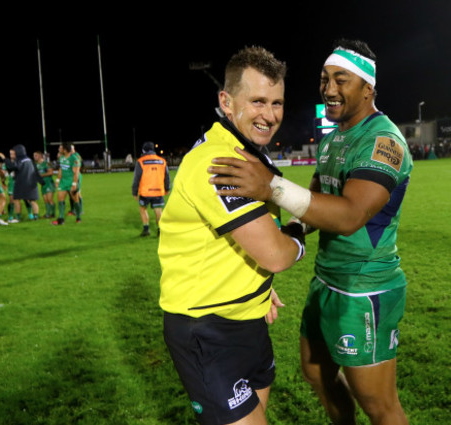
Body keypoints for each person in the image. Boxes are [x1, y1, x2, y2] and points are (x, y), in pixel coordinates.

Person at [208, 39, 412, 425]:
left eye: (341, 80)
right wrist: (292, 232)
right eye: (324, 79)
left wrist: (271, 187)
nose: (329, 89)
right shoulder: (334, 137)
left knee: (379, 404)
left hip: (365, 287)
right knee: (315, 373)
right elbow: (318, 194)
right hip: (327, 279)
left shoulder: (383, 140)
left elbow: (351, 213)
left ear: (367, 88)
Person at [158, 46, 306, 425]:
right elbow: (274, 254)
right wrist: (300, 236)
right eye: (257, 101)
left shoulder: (246, 152)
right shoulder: (219, 163)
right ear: (226, 101)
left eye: (277, 103)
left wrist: (256, 283)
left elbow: (241, 239)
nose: (270, 115)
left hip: (250, 320)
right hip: (208, 331)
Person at [131, 141, 170, 236]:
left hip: (145, 191)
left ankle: (146, 229)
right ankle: (160, 230)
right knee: (158, 210)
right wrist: (167, 188)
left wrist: (134, 192)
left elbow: (136, 178)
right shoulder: (162, 161)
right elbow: (167, 176)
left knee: (143, 209)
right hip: (158, 190)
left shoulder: (141, 161)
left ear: (143, 150)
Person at [4, 144, 41, 221]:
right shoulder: (29, 160)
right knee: (32, 200)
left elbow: (15, 168)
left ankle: (18, 217)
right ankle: (35, 216)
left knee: (17, 199)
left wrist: (5, 159)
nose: (12, 155)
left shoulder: (19, 161)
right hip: (30, 182)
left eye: (13, 153)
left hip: (21, 183)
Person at [52, 141, 82, 225]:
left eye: (60, 148)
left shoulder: (74, 159)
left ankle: (78, 217)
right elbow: (61, 169)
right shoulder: (61, 158)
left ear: (65, 150)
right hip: (63, 182)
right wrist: (58, 180)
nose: (59, 149)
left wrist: (74, 184)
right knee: (60, 199)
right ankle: (61, 219)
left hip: (71, 181)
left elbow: (76, 173)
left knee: (75, 200)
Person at [34, 151, 56, 218]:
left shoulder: (46, 163)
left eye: (36, 155)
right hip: (43, 184)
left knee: (50, 200)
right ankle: (47, 214)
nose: (34, 157)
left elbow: (51, 172)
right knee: (45, 200)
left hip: (49, 183)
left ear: (40, 156)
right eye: (34, 155)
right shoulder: (36, 165)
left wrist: (41, 175)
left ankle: (53, 214)